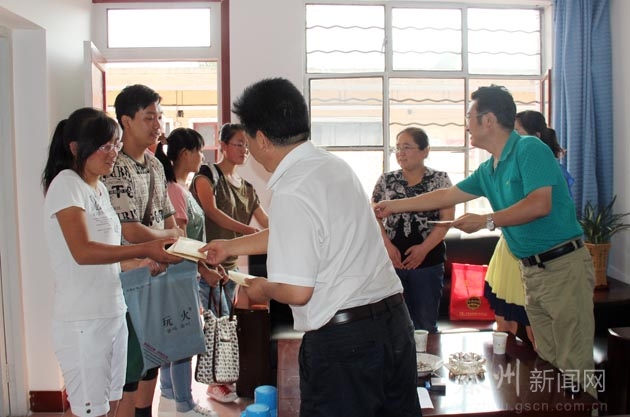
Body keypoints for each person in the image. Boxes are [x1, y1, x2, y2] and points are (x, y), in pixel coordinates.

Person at [202, 78, 421, 417]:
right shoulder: (333, 166)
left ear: (261, 139)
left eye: (248, 140)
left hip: (346, 345)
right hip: (394, 325)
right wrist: (230, 247)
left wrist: (260, 288)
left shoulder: (292, 188)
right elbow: (296, 233)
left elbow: (297, 291)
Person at [374, 85, 596, 397]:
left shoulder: (528, 149)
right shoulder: (489, 168)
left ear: (488, 120)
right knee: (548, 361)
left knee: (573, 365)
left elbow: (539, 204)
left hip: (562, 266)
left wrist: (486, 220)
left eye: (469, 117)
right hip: (532, 272)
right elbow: (446, 195)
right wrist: (393, 206)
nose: (466, 125)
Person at [42, 107, 181, 417]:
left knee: (112, 403)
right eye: (105, 146)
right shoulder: (66, 184)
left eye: (116, 144)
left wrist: (141, 262)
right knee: (89, 410)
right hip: (84, 320)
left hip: (113, 312)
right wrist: (144, 248)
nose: (114, 153)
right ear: (75, 147)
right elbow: (83, 252)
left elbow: (107, 257)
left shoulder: (100, 187)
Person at [102, 84, 185, 417]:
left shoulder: (154, 165)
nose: (157, 125)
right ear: (126, 121)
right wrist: (169, 235)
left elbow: (169, 218)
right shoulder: (114, 166)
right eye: (149, 117)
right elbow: (130, 230)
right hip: (129, 275)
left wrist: (172, 236)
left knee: (154, 356)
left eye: (159, 117)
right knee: (130, 363)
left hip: (158, 272)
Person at [190, 123, 268, 402]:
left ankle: (222, 377)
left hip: (231, 267)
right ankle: (214, 382)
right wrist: (248, 231)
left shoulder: (247, 187)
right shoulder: (207, 176)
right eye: (238, 144)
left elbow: (265, 220)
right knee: (217, 321)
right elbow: (211, 212)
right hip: (209, 262)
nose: (244, 150)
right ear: (222, 145)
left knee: (227, 322)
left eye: (246, 145)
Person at [154, 128, 227, 417]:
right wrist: (204, 268)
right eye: (198, 151)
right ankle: (183, 404)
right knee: (183, 342)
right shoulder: (174, 191)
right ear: (185, 154)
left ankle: (171, 400)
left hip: (184, 274)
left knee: (175, 340)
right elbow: (180, 243)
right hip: (178, 275)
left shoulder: (181, 188)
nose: (202, 157)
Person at [371, 127, 454, 333]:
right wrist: (387, 246)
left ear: (425, 151)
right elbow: (373, 216)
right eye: (398, 148)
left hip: (428, 262)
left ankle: (426, 355)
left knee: (425, 325)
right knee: (393, 325)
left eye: (407, 147)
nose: (400, 153)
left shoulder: (440, 180)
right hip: (392, 261)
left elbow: (446, 220)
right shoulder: (386, 180)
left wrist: (423, 249)